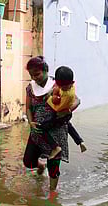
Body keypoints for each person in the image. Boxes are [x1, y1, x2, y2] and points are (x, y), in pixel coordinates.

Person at [23, 56, 80, 192]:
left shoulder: (58, 84)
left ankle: (52, 193)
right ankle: (41, 166)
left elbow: (77, 100)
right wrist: (31, 123)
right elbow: (29, 108)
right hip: (38, 130)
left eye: (37, 74)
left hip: (56, 130)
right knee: (28, 161)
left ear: (45, 70)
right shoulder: (30, 88)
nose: (35, 77)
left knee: (54, 166)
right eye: (32, 75)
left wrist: (67, 110)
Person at [36, 66, 87, 159]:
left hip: (59, 115)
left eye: (63, 86)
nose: (61, 88)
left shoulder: (67, 94)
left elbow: (57, 108)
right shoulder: (68, 87)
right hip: (65, 115)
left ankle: (55, 147)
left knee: (41, 128)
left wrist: (49, 98)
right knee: (68, 125)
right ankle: (80, 141)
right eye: (59, 85)